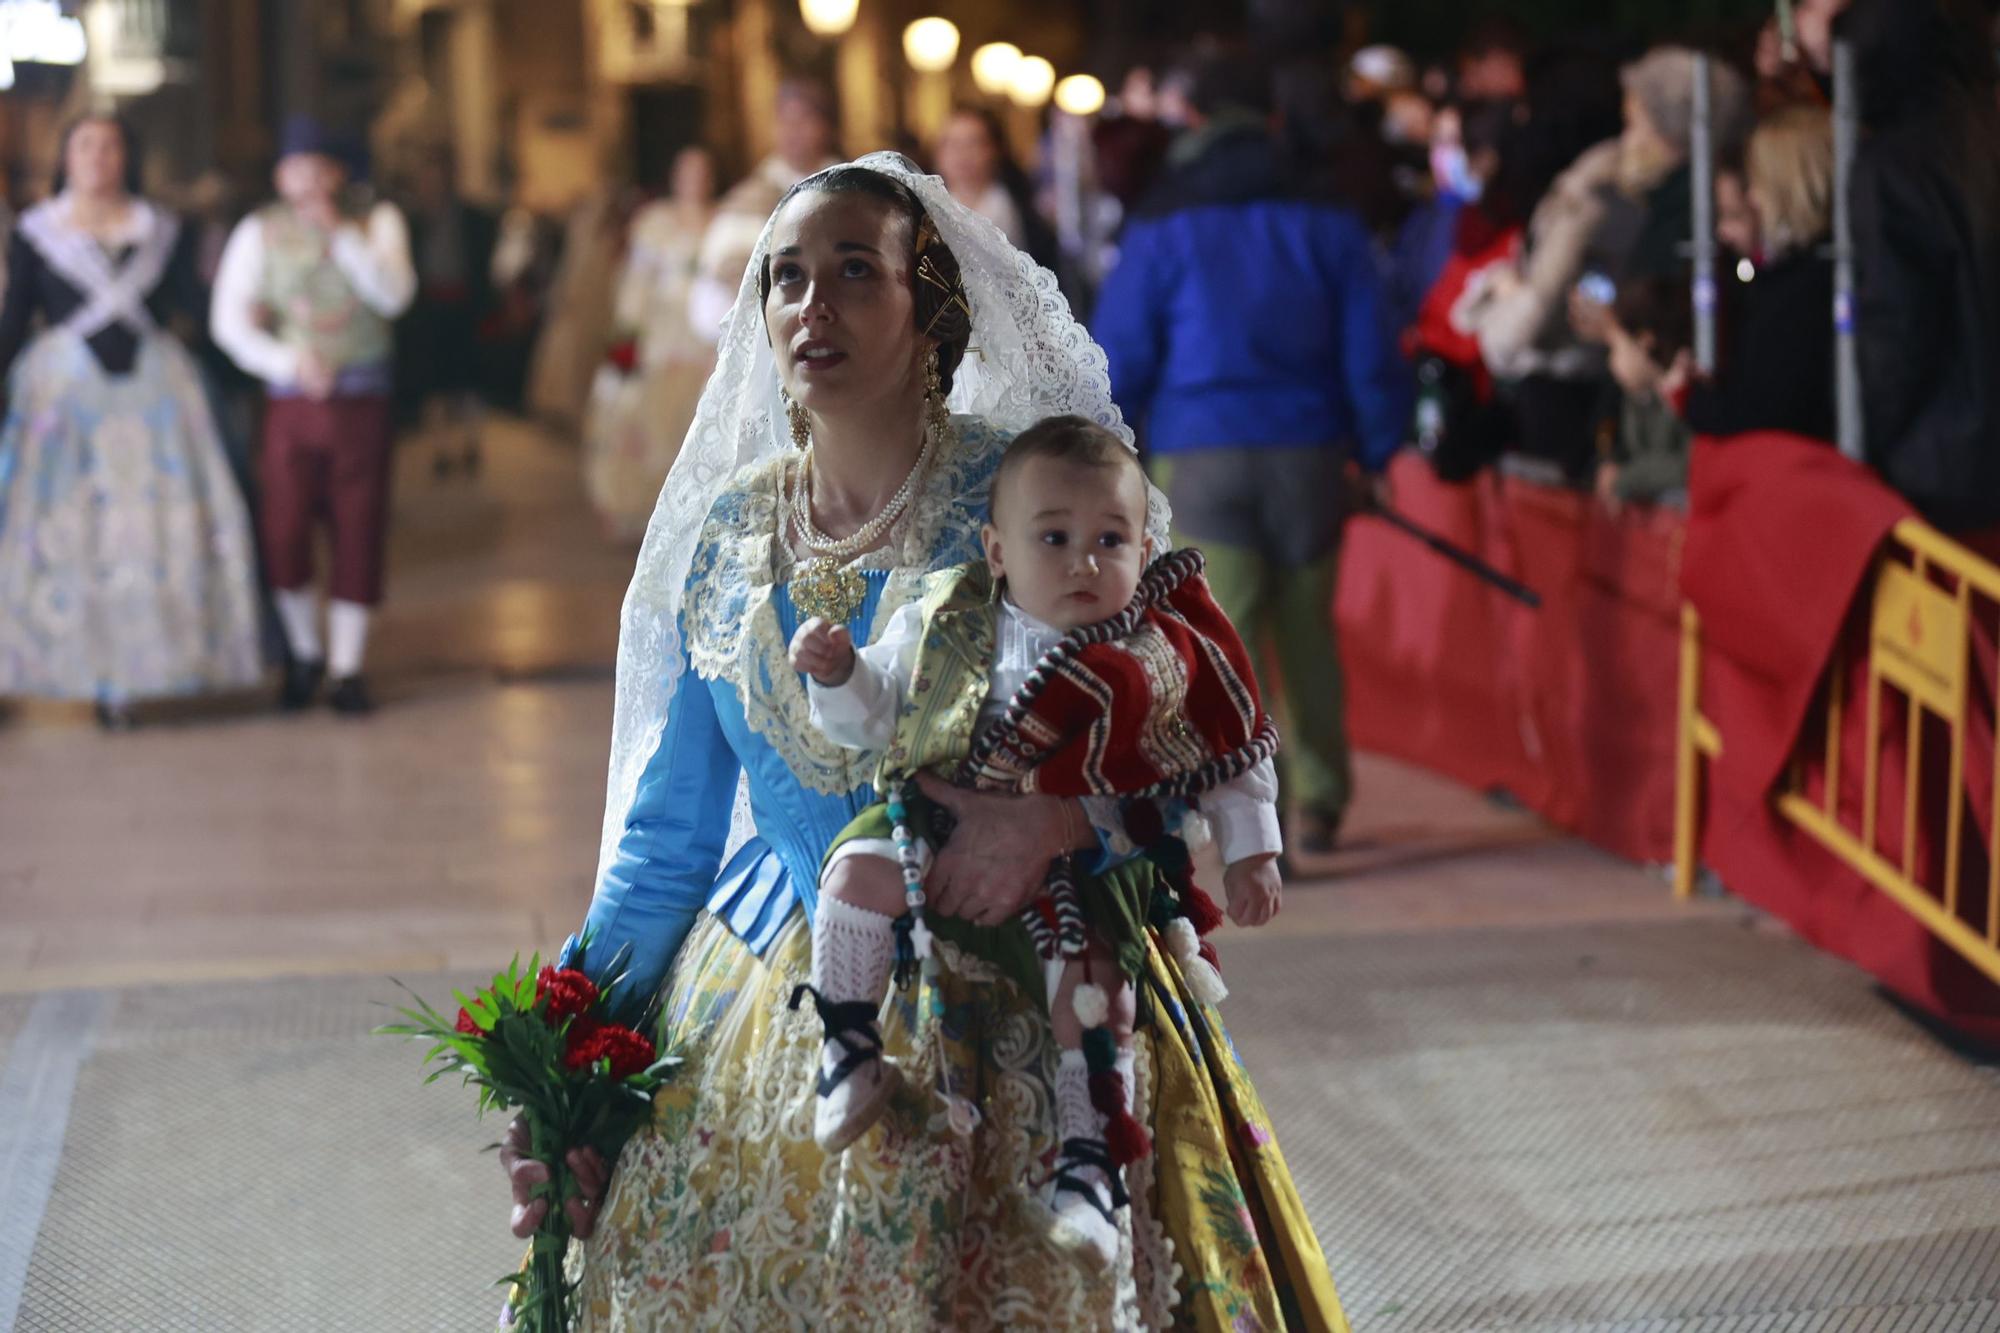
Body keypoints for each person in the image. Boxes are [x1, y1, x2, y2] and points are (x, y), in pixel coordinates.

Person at [498, 153, 1345, 1329]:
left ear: (927, 305)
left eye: (855, 270)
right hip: (768, 997)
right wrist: (564, 1059)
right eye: (786, 278)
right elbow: (667, 837)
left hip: (1027, 983)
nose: (813, 304)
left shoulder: (1028, 489)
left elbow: (1186, 683)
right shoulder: (733, 534)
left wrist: (1057, 815)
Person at [787, 416, 1282, 1272]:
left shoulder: (1157, 655)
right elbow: (879, 712)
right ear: (998, 549)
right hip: (937, 817)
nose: (1084, 562)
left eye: (1109, 540)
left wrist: (1253, 850)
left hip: (1087, 854)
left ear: (1145, 544)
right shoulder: (946, 617)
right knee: (853, 870)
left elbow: (1228, 756)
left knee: (1093, 981)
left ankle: (1091, 1168)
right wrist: (841, 675)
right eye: (1054, 537)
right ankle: (849, 1046)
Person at [1094, 49, 1408, 854]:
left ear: (1192, 118)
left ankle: (1252, 817)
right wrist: (1374, 448)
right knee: (1308, 633)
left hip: (1200, 454)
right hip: (1309, 450)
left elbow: (1123, 351)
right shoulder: (1327, 211)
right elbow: (1368, 346)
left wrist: (1109, 451)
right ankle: (1322, 797)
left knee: (1222, 643)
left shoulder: (1161, 217)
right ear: (1270, 118)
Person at [0, 112, 261, 726]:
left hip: (154, 400)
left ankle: (144, 669)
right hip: (64, 402)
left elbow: (196, 311)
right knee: (75, 535)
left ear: (127, 157)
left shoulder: (161, 229)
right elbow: (15, 318)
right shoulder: (38, 232)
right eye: (85, 146)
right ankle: (84, 668)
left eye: (110, 146)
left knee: (148, 537)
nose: (97, 157)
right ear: (66, 158)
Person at [211, 115, 417, 716]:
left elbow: (394, 295)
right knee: (285, 528)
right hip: (291, 403)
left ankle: (347, 667)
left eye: (321, 168)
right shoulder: (259, 232)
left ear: (339, 173)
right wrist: (284, 360)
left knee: (358, 527)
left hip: (362, 399)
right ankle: (303, 652)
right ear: (280, 174)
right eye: (297, 167)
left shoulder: (377, 222)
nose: (309, 180)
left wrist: (341, 235)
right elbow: (229, 320)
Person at [1841, 0, 2000, 532]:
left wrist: (1866, 433)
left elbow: (1897, 327)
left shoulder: (1895, 166)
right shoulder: (1980, 136)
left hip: (1940, 474)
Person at [582, 145, 716, 541]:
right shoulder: (654, 223)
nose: (695, 181)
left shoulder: (722, 220)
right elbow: (636, 285)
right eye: (687, 172)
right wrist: (627, 337)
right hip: (662, 341)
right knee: (655, 426)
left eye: (702, 172)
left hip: (705, 344)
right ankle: (654, 518)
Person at [1684, 104, 1837, 443]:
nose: (1753, 196)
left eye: (1760, 183)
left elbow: (1761, 412)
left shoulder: (1801, 291)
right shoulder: (1802, 276)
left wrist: (1692, 398)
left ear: (1792, 185)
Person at [684, 79, 840, 345]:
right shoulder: (748, 202)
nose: (793, 131)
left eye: (803, 120)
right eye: (785, 121)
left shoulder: (851, 190)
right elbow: (712, 297)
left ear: (826, 126)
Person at [396, 143, 498, 478]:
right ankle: (439, 448)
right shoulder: (413, 223)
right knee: (434, 384)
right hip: (430, 312)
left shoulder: (473, 220)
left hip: (465, 309)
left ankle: (472, 444)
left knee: (469, 381)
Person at [931, 106, 1057, 272]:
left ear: (995, 150)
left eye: (973, 143)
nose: (963, 154)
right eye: (953, 144)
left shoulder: (1028, 217)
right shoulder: (924, 216)